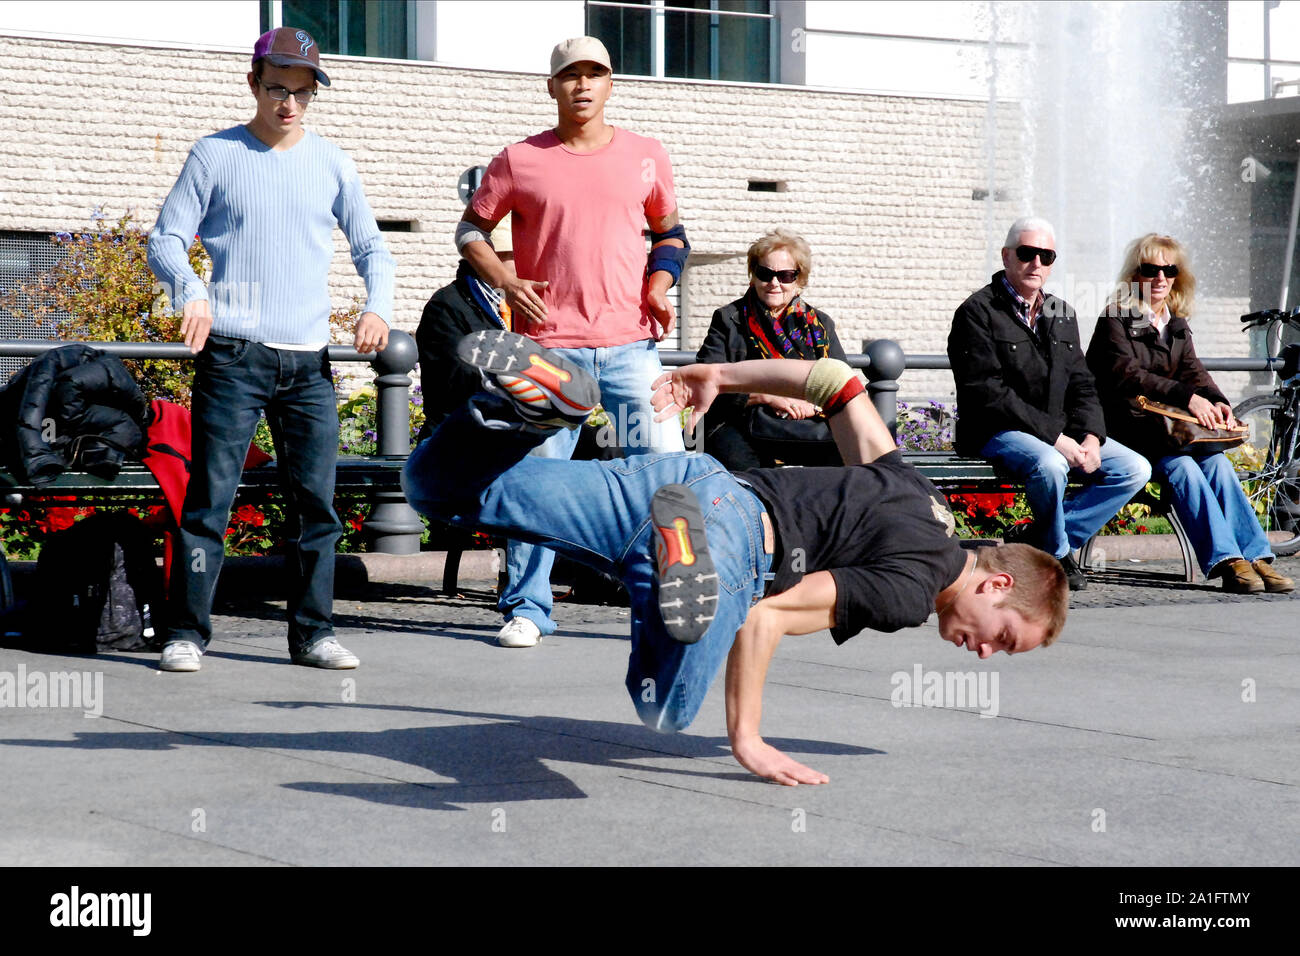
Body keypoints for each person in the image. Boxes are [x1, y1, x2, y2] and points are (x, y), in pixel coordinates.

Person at [402, 329, 1069, 786]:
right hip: (733, 543)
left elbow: (837, 383)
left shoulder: (922, 495)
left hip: (680, 478)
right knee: (666, 707)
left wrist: (717, 375)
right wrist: (747, 740)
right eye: (1004, 638)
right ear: (996, 585)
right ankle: (677, 564)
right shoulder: (911, 593)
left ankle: (525, 413)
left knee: (438, 489)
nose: (987, 653)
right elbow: (765, 617)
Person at [147, 27, 395, 672]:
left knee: (316, 508)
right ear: (254, 84)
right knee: (209, 502)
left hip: (309, 363)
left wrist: (378, 306)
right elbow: (165, 239)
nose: (290, 103)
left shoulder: (332, 162)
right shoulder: (214, 154)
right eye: (278, 88)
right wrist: (191, 291)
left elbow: (372, 246)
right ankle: (185, 634)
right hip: (233, 355)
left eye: (303, 92)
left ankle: (314, 634)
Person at [453, 36, 688, 650]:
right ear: (552, 86)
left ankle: (670, 599)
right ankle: (528, 608)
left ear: (610, 84)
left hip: (632, 347)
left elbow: (672, 235)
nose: (582, 85)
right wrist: (505, 280)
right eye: (570, 75)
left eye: (594, 73)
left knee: (666, 475)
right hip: (548, 351)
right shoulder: (519, 159)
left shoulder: (646, 155)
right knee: (536, 481)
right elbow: (470, 230)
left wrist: (659, 284)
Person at [948, 216, 1151, 590]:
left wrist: (1092, 438)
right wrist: (1057, 439)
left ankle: (1037, 540)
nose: (1036, 263)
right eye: (1027, 253)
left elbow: (1083, 385)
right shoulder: (977, 312)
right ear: (1006, 256)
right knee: (1051, 464)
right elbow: (989, 394)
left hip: (1057, 431)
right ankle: (1056, 556)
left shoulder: (1062, 313)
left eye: (1047, 256)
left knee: (1134, 468)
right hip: (996, 431)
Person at [1085, 234, 1294, 594]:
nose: (1160, 278)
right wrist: (1188, 398)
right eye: (1151, 269)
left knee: (1218, 465)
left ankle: (1256, 556)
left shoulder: (1175, 322)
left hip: (1168, 434)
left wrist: (1215, 399)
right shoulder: (1114, 318)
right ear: (1135, 275)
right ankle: (1227, 561)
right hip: (1130, 433)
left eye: (1169, 270)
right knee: (1182, 468)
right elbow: (1129, 375)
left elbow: (1194, 371)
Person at [694, 228, 847, 469]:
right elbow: (705, 379)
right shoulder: (728, 319)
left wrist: (813, 405)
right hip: (737, 422)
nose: (774, 283)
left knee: (848, 456)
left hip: (804, 424)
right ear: (753, 276)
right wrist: (766, 396)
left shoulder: (820, 325)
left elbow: (842, 383)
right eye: (765, 274)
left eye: (785, 276)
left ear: (799, 280)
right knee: (747, 469)